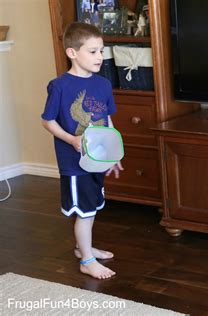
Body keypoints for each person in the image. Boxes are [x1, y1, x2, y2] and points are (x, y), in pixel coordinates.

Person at [41, 22, 123, 280]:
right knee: (85, 211)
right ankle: (87, 261)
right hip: (74, 164)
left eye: (101, 51)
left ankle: (82, 247)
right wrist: (72, 140)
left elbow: (107, 120)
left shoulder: (103, 84)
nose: (100, 57)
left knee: (92, 206)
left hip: (97, 159)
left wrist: (114, 153)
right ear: (72, 53)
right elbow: (48, 120)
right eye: (93, 51)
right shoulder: (59, 86)